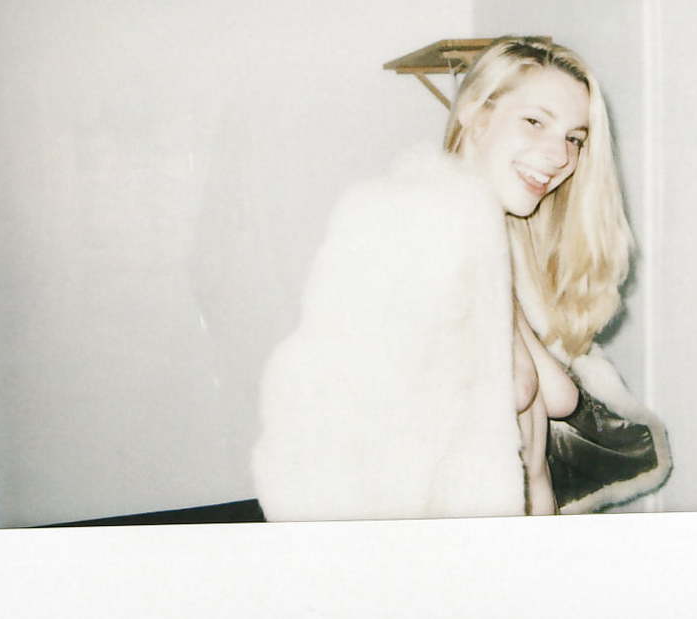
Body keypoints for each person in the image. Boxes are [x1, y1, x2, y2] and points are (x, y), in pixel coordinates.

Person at [252, 36, 671, 522]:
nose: (559, 155)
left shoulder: (498, 245)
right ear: (475, 112)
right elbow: (319, 431)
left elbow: (551, 398)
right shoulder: (403, 226)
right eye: (535, 122)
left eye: (574, 138)